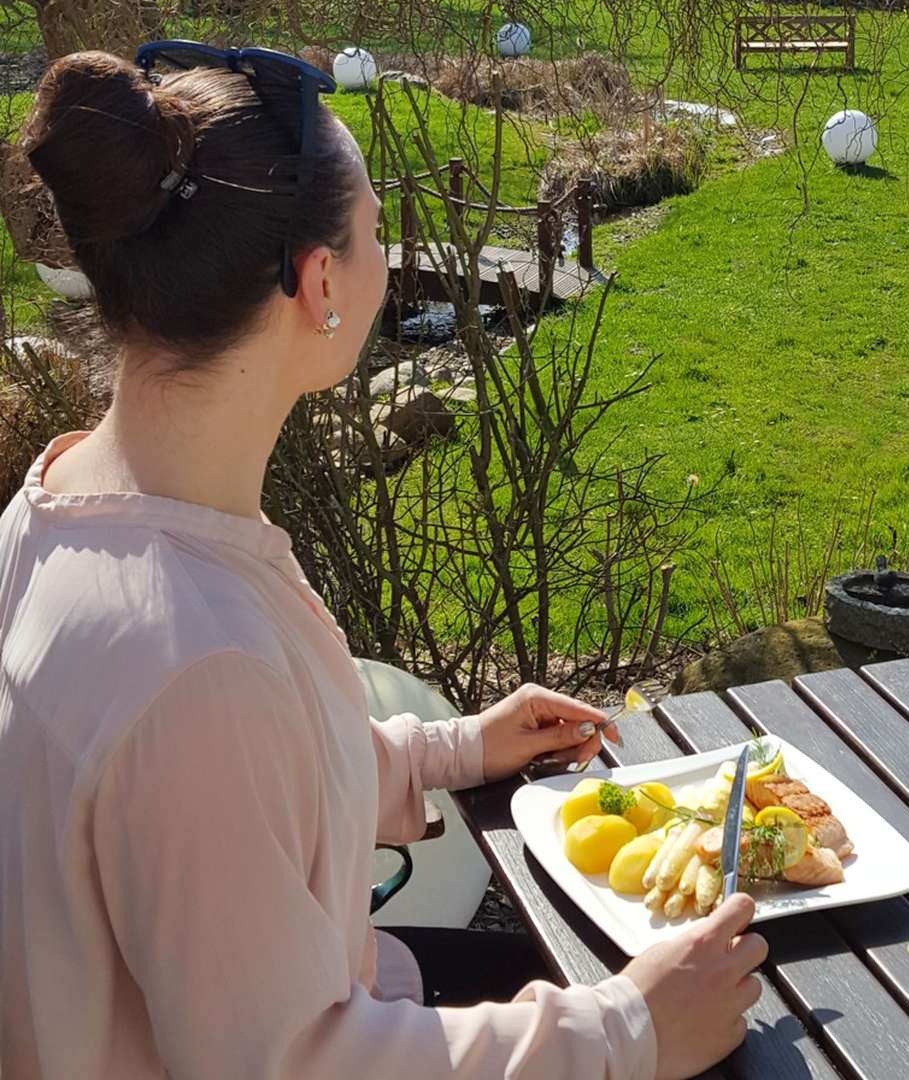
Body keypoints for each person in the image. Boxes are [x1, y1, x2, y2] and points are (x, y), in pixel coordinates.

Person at [0, 47, 766, 1079]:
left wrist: (443, 753)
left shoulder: (57, 511)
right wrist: (627, 1032)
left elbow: (221, 812)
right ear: (320, 283)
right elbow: (296, 1063)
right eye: (370, 236)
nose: (378, 260)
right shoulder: (193, 659)